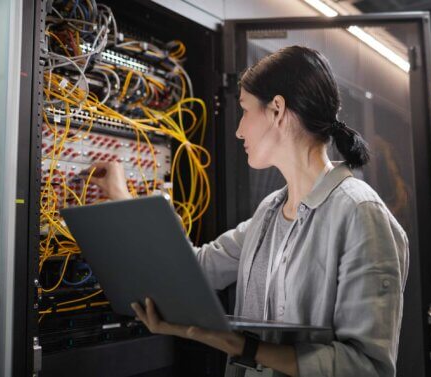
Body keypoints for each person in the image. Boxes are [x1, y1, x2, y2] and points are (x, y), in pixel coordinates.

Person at [88, 45, 409, 377]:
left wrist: (242, 346)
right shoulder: (269, 212)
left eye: (244, 110)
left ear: (277, 110)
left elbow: (367, 368)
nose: (239, 130)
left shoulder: (360, 214)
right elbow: (197, 269)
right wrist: (124, 198)